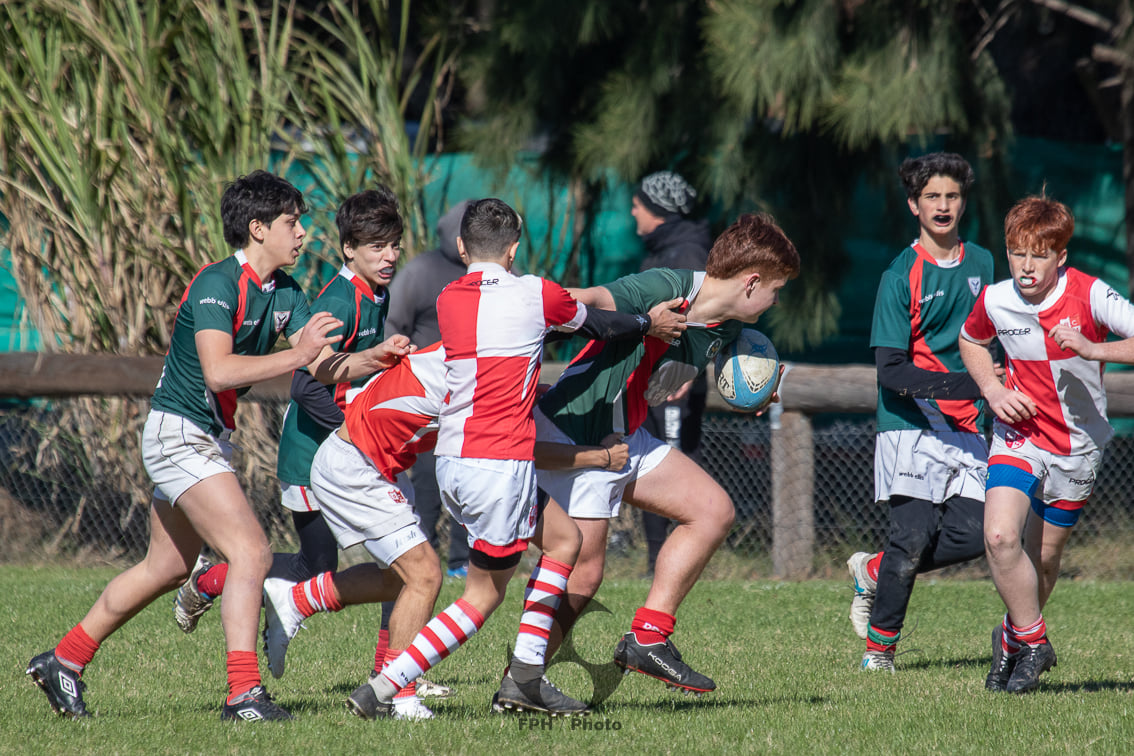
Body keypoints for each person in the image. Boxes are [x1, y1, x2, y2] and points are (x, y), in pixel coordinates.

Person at [25, 171, 409, 721]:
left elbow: (324, 363)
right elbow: (220, 371)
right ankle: (243, 695)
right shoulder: (217, 283)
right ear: (257, 229)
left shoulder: (288, 293)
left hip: (207, 440)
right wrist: (296, 357)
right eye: (291, 223)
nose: (302, 233)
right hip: (178, 432)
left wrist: (375, 360)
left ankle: (64, 660)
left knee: (165, 569)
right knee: (251, 553)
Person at [346, 198, 687, 719]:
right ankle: (385, 687)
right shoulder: (535, 293)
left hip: (452, 462)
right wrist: (648, 323)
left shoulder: (447, 297)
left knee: (564, 539)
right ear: (514, 249)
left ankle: (526, 675)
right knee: (482, 597)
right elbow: (598, 325)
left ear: (461, 247)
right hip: (500, 464)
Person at [169, 186, 452, 698]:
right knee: (312, 568)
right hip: (318, 454)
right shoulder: (341, 298)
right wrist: (354, 427)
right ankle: (210, 580)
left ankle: (396, 672)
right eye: (375, 247)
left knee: (404, 558)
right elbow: (306, 386)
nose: (389, 257)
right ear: (348, 249)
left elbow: (351, 376)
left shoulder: (376, 292)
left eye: (394, 245)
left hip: (357, 453)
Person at [262, 342, 633, 720]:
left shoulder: (462, 351)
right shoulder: (473, 381)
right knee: (426, 578)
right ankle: (399, 694)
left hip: (369, 463)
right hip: (356, 468)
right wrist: (599, 457)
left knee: (402, 581)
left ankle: (297, 600)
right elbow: (517, 450)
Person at [532, 212, 799, 697]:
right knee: (584, 573)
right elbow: (588, 301)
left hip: (625, 434)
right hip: (583, 427)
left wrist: (763, 386)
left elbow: (744, 358)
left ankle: (647, 638)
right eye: (776, 289)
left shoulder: (728, 322)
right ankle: (522, 679)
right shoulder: (665, 287)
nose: (777, 300)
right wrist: (539, 307)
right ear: (751, 281)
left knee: (712, 511)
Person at [959, 195, 1134, 693]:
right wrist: (993, 391)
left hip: (1077, 447)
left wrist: (1095, 348)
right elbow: (971, 339)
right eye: (1017, 253)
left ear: (1061, 255)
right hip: (1019, 437)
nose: (1026, 266)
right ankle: (1036, 643)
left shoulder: (1090, 294)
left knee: (1045, 561)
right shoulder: (995, 299)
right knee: (999, 537)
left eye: (1039, 254)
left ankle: (1011, 638)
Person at [845, 152, 995, 673]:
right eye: (932, 196)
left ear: (963, 202)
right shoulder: (898, 275)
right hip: (910, 424)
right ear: (914, 205)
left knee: (982, 535)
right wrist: (973, 383)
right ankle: (879, 652)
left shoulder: (983, 264)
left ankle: (875, 571)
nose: (943, 205)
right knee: (911, 537)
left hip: (968, 425)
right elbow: (891, 370)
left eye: (952, 195)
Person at [385, 199, 473, 578]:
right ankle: (422, 557)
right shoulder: (421, 270)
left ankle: (462, 561)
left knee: (468, 482)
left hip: (472, 397)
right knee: (424, 483)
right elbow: (394, 323)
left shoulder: (493, 270)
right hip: (425, 396)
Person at [632, 171, 713, 575]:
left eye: (638, 204)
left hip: (673, 383)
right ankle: (657, 560)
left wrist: (686, 369)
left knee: (671, 466)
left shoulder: (685, 252)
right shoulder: (663, 248)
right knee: (653, 462)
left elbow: (700, 313)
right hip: (656, 379)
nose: (633, 211)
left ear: (657, 210)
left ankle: (674, 561)